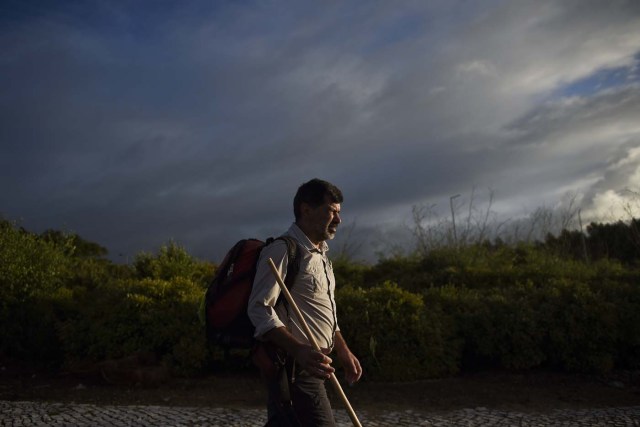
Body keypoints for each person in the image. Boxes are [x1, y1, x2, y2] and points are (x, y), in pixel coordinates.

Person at [248, 178, 362, 427]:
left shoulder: (322, 258)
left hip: (315, 364)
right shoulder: (282, 250)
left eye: (339, 212)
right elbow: (259, 308)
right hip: (293, 368)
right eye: (332, 211)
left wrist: (342, 350)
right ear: (306, 209)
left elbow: (324, 313)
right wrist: (298, 349)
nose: (338, 220)